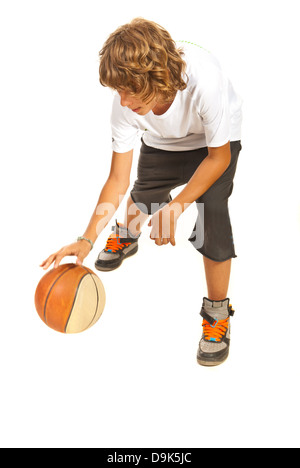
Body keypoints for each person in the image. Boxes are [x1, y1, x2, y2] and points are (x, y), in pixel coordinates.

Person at [40, 18, 243, 367]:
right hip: (163, 142)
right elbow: (117, 179)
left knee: (212, 215)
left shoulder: (204, 81)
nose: (122, 100)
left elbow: (219, 156)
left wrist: (178, 206)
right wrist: (86, 239)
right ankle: (126, 234)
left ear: (157, 77)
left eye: (129, 90)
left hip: (213, 144)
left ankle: (217, 314)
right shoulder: (126, 105)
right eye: (118, 91)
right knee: (144, 193)